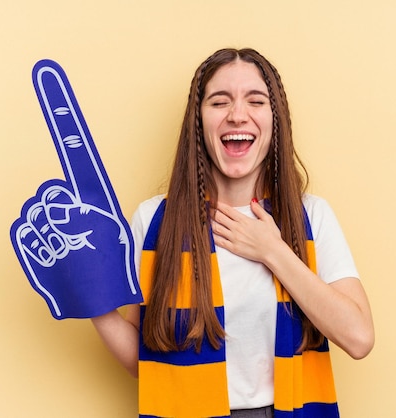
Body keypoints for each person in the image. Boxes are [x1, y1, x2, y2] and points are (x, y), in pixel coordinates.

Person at [91, 48, 374, 418]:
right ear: (199, 120)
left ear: (275, 119)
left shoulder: (311, 216)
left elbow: (359, 338)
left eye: (255, 101)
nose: (237, 114)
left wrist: (273, 251)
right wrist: (89, 297)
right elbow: (142, 362)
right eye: (219, 102)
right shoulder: (153, 222)